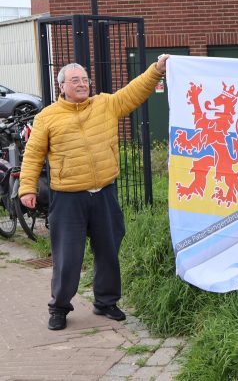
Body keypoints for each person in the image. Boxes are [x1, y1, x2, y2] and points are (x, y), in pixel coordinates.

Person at [19, 55, 169, 331]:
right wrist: (27, 188)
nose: (82, 84)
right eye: (75, 80)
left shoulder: (105, 105)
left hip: (104, 194)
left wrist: (156, 70)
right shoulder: (47, 117)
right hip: (68, 198)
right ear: (62, 86)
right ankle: (59, 307)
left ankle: (106, 302)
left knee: (108, 251)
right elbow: (33, 155)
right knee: (67, 258)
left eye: (85, 80)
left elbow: (134, 92)